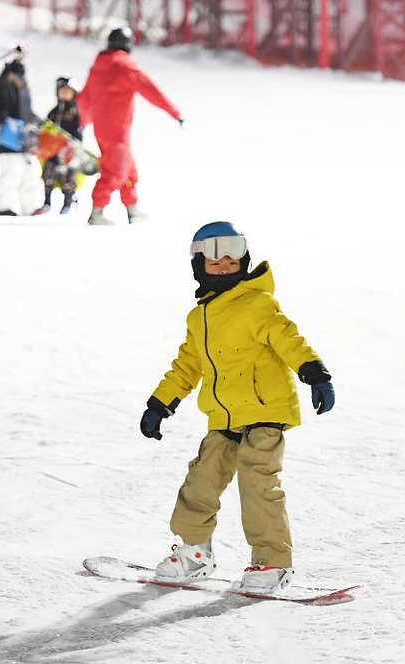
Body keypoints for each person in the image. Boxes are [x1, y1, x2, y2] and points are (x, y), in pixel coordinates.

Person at [138, 222, 336, 593]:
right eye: (215, 260)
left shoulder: (258, 304)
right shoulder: (200, 318)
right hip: (223, 417)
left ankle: (272, 562)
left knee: (257, 483)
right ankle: (195, 552)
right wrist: (160, 403)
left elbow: (288, 338)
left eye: (233, 256)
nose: (225, 264)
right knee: (200, 481)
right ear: (199, 267)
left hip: (264, 413)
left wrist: (314, 372)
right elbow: (187, 365)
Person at [77, 26, 183, 225]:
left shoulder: (97, 68)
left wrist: (82, 123)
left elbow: (84, 99)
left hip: (102, 130)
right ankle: (97, 212)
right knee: (116, 171)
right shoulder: (125, 67)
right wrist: (174, 112)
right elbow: (151, 91)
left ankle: (132, 210)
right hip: (118, 131)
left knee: (128, 169)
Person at [0, 44, 45, 216]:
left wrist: (35, 122)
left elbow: (25, 110)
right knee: (11, 170)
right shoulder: (6, 80)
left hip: (23, 135)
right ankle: (3, 207)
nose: (21, 60)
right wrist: (1, 124)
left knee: (30, 170)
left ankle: (31, 207)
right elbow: (0, 107)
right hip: (7, 135)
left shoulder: (22, 82)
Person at [40, 77, 83, 214]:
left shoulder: (75, 111)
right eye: (62, 91)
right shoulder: (53, 112)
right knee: (48, 175)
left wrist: (75, 141)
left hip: (69, 152)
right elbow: (45, 129)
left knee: (68, 177)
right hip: (53, 151)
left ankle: (68, 202)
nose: (64, 94)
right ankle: (47, 202)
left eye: (67, 91)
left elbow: (79, 131)